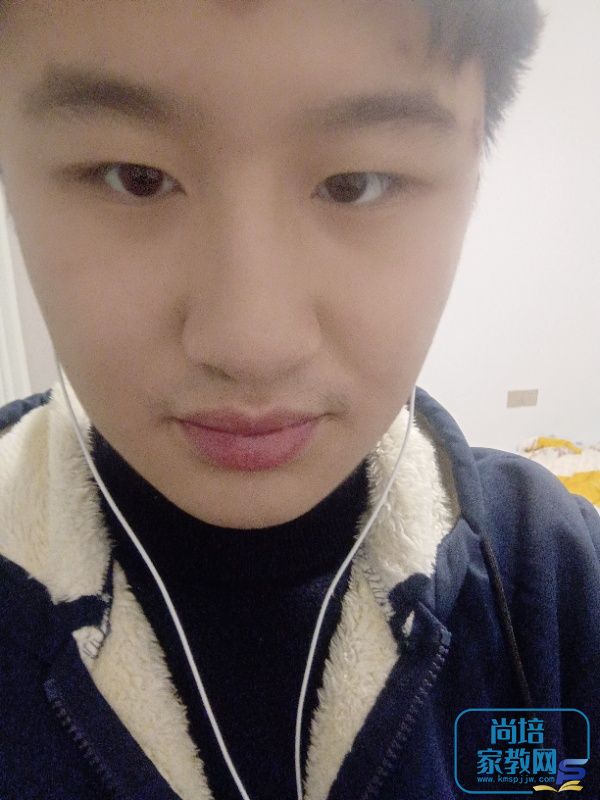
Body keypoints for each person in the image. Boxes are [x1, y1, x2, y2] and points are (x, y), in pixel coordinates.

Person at [0, 2, 597, 799]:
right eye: (134, 177)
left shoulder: (553, 583)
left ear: (470, 189)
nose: (251, 345)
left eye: (355, 184)